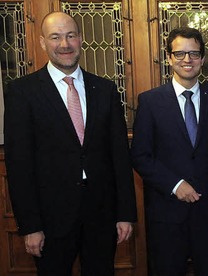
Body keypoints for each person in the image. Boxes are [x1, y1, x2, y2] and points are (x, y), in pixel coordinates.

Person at [3, 11, 136, 275]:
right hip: (50, 219)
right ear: (43, 43)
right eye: (55, 37)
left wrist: (125, 213)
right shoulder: (22, 92)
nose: (64, 44)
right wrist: (30, 226)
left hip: (101, 215)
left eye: (70, 36)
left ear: (80, 39)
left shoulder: (105, 90)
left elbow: (119, 156)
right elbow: (19, 165)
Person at [131, 27, 208, 276]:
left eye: (194, 53)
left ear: (203, 59)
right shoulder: (150, 101)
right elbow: (140, 155)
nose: (187, 60)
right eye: (180, 53)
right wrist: (175, 184)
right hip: (166, 213)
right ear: (169, 58)